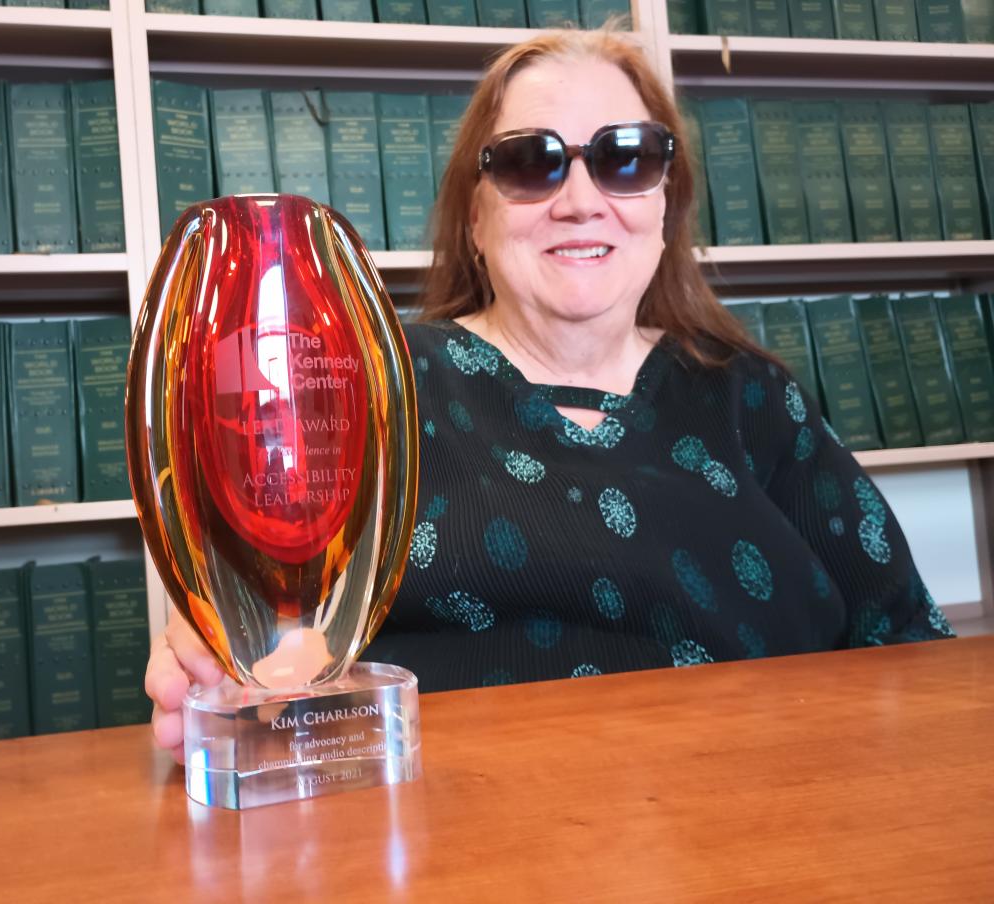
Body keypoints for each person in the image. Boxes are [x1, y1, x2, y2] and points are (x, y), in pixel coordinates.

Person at [145, 26, 954, 761]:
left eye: (626, 156)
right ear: (474, 217)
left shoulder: (754, 396)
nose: (579, 199)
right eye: (532, 162)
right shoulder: (372, 391)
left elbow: (915, 647)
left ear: (665, 204)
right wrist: (223, 645)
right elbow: (273, 614)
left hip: (758, 832)